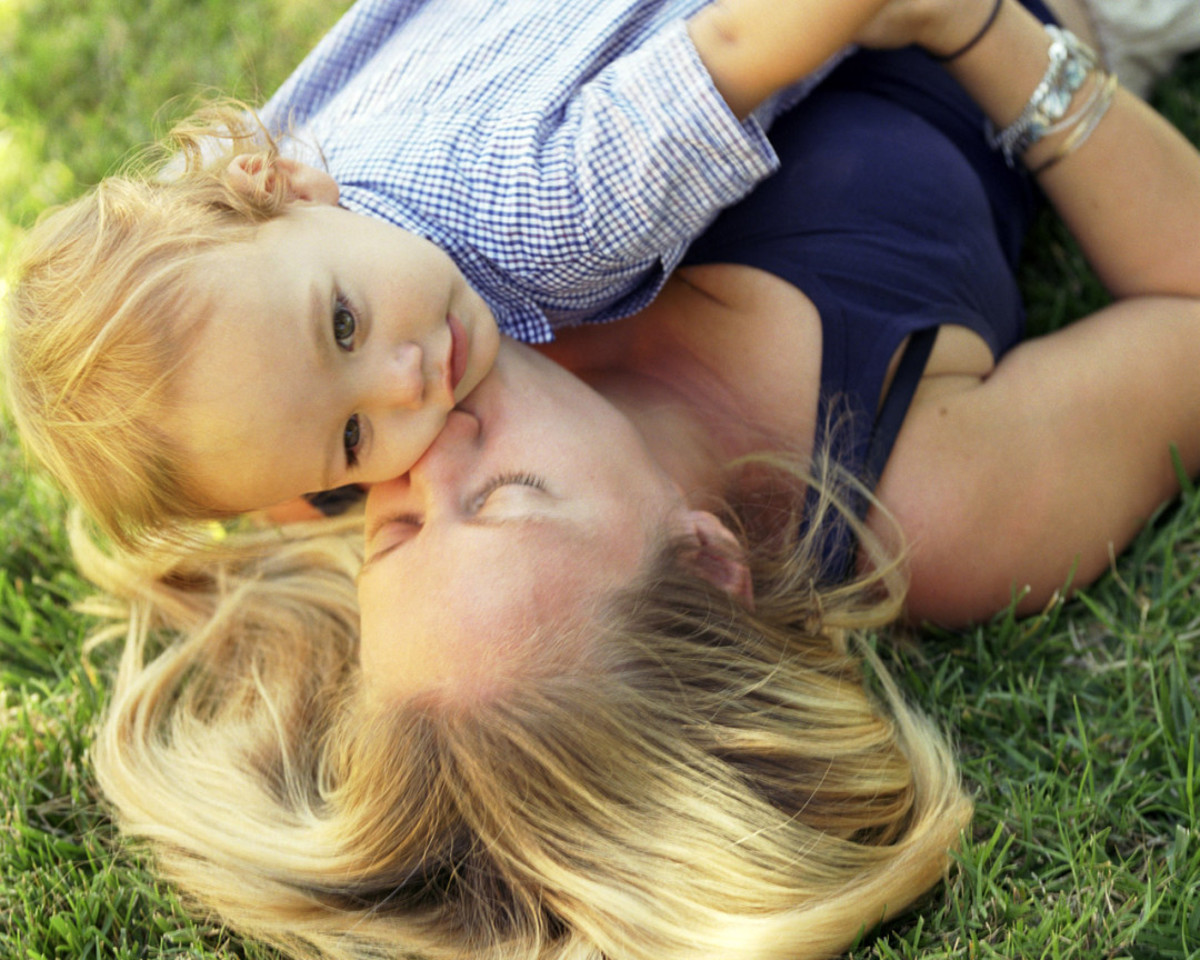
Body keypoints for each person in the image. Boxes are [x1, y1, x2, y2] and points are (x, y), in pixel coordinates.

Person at [78, 0, 1200, 956]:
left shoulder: (380, 353)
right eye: (507, 497)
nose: (436, 446)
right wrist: (971, 24)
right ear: (705, 557)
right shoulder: (935, 503)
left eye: (396, 532)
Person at [2, 0, 882, 551]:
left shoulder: (556, 220)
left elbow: (740, 36)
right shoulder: (287, 180)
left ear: (283, 189)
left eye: (344, 326)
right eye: (353, 439)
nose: (406, 381)